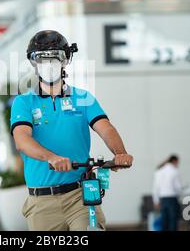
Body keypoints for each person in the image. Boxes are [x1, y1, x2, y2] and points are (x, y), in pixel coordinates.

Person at [10, 30, 133, 231]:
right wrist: (51, 157)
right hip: (42, 202)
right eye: (42, 59)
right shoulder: (23, 102)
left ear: (66, 60)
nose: (49, 65)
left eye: (55, 58)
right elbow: (22, 140)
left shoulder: (83, 98)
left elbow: (105, 128)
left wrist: (119, 153)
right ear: (34, 63)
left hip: (79, 196)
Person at [152, 155, 182, 231]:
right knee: (173, 220)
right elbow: (177, 187)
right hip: (172, 198)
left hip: (162, 199)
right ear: (174, 161)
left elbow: (155, 187)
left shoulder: (159, 171)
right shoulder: (174, 171)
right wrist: (179, 195)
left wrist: (156, 200)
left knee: (164, 220)